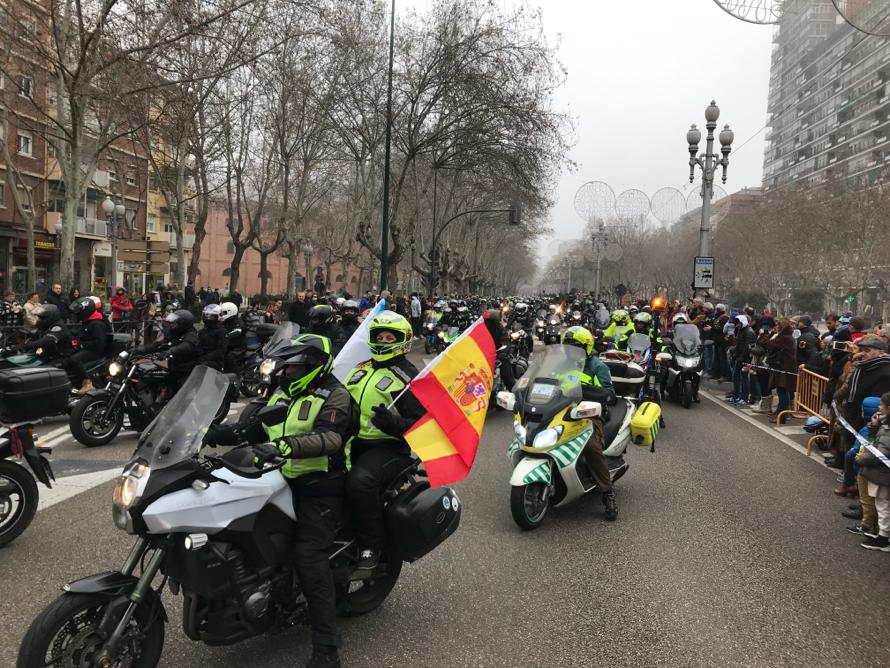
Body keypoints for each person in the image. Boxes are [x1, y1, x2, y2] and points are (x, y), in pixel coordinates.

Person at [206, 334, 353, 667]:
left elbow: (329, 438)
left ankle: (327, 649)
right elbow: (254, 428)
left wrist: (284, 447)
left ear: (314, 366)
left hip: (321, 485)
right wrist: (211, 433)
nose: (286, 374)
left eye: (294, 368)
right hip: (278, 479)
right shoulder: (284, 393)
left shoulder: (336, 396)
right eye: (285, 368)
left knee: (308, 555)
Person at [344, 311, 425, 571]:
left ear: (402, 340)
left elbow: (424, 424)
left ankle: (372, 544)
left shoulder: (407, 377)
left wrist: (393, 424)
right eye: (380, 336)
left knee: (359, 483)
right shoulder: (361, 368)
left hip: (387, 447)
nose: (384, 341)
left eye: (391, 337)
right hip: (349, 441)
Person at [560, 326, 619, 520]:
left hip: (590, 413)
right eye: (567, 347)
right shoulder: (560, 365)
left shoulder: (596, 366)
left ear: (586, 347)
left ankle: (607, 492)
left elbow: (609, 395)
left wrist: (582, 390)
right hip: (560, 409)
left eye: (575, 347)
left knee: (591, 445)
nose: (571, 352)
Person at [135, 309, 201, 393]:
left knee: (183, 393)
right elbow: (159, 344)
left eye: (174, 323)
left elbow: (186, 346)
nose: (171, 326)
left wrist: (169, 351)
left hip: (186, 370)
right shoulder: (174, 333)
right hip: (173, 366)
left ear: (183, 324)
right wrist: (140, 350)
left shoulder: (191, 335)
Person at [857, 390, 890, 551]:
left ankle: (884, 537)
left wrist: (861, 459)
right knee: (881, 504)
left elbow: (881, 453)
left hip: (884, 474)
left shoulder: (888, 429)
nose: (879, 407)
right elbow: (876, 439)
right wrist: (874, 425)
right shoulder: (884, 424)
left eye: (881, 405)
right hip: (883, 473)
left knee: (883, 505)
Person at [67, 297, 110, 393]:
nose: (77, 315)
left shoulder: (97, 323)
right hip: (87, 348)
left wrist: (82, 344)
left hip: (94, 351)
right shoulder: (88, 321)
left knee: (74, 359)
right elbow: (81, 334)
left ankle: (87, 382)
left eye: (78, 312)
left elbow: (99, 343)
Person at [766, 319, 798, 423]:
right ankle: (782, 413)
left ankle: (782, 415)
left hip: (784, 368)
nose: (776, 327)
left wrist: (772, 335)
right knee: (784, 391)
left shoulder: (783, 337)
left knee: (782, 392)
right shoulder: (789, 337)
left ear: (781, 327)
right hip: (786, 367)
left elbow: (769, 345)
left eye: (778, 326)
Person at [197, 304, 227, 371]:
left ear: (217, 317)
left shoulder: (221, 332)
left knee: (200, 365)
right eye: (206, 316)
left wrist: (204, 358)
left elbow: (220, 350)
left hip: (215, 361)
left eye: (211, 316)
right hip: (202, 357)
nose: (207, 318)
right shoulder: (202, 331)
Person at [219, 302, 246, 374]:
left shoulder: (238, 322)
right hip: (227, 346)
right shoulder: (223, 322)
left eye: (223, 313)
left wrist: (227, 336)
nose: (221, 315)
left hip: (238, 347)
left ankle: (238, 376)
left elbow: (238, 330)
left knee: (230, 358)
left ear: (230, 312)